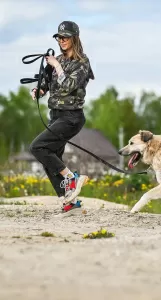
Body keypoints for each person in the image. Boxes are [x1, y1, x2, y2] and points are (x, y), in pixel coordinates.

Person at [29, 20, 95, 215]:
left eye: (65, 37)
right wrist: (39, 90)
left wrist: (56, 65)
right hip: (55, 115)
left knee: (38, 147)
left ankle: (72, 178)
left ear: (74, 38)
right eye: (59, 37)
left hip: (71, 117)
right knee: (51, 157)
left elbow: (68, 85)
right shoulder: (57, 60)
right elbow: (50, 85)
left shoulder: (82, 62)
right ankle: (69, 202)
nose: (61, 40)